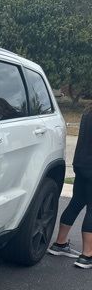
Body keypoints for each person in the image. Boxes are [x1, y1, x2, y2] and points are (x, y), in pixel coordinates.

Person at [49, 107, 92, 268]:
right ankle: (87, 255)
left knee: (76, 203)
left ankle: (60, 244)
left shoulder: (87, 112)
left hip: (81, 164)